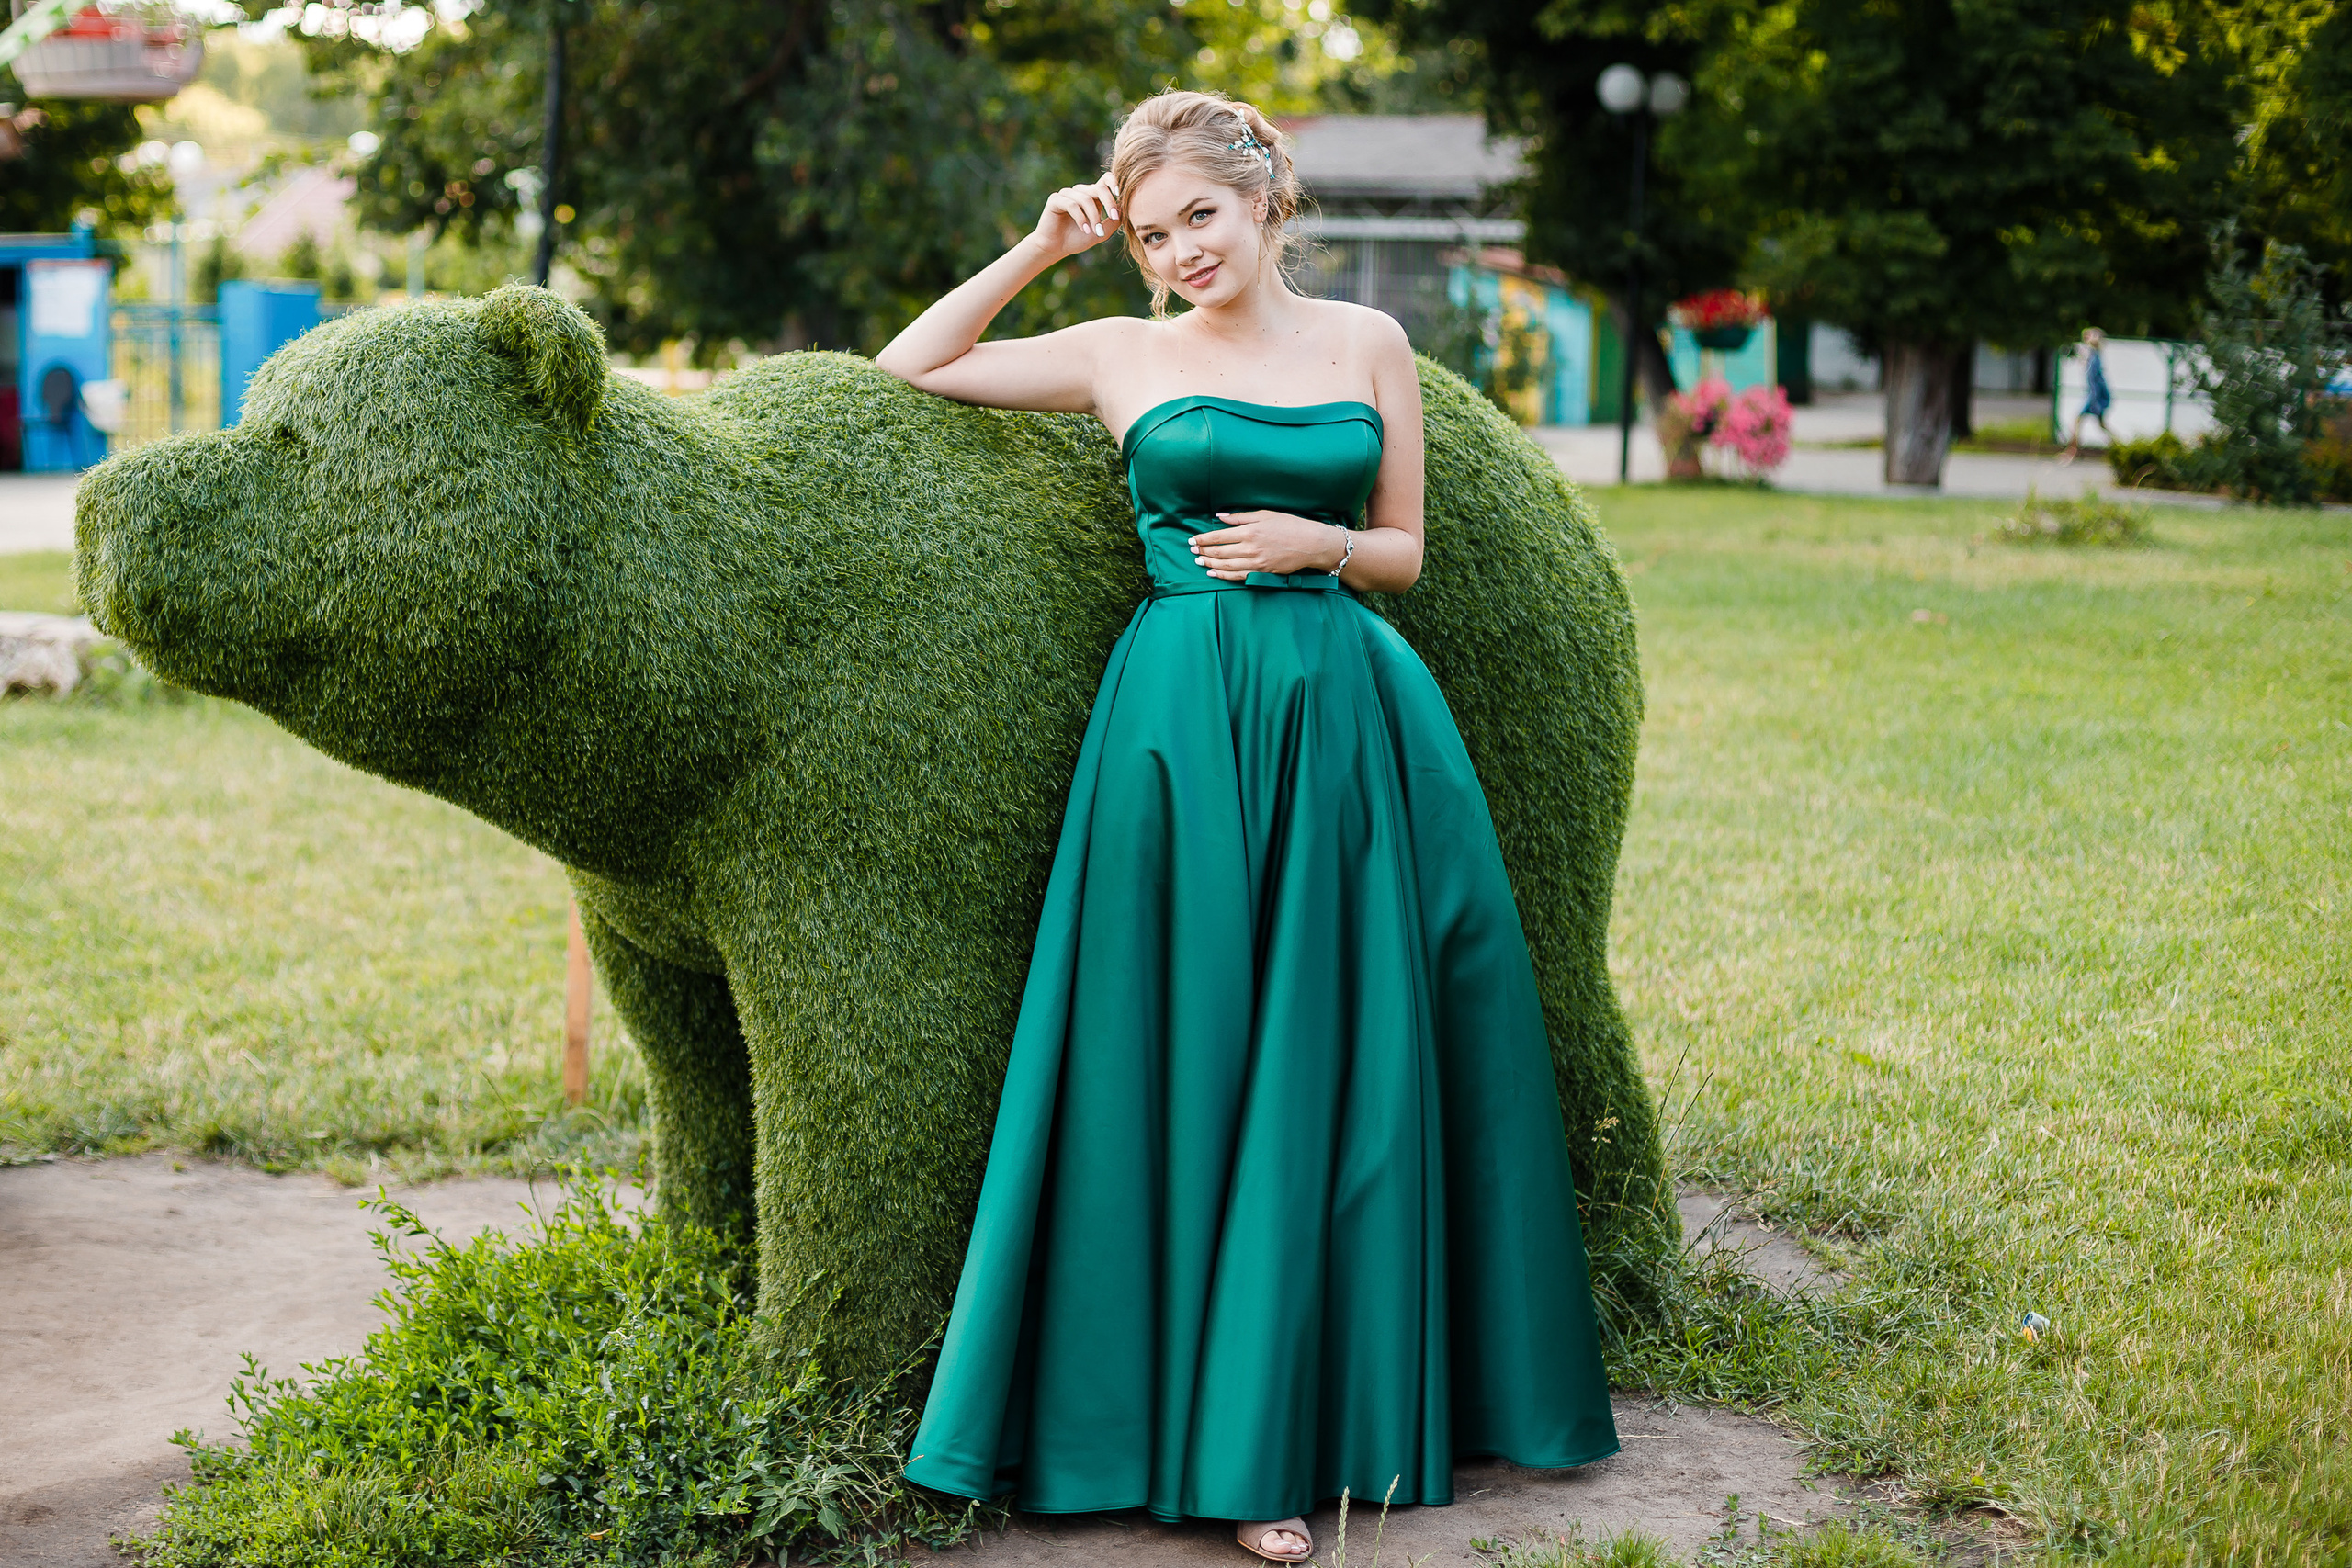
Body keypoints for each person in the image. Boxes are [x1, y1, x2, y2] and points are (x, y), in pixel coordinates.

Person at [874, 88, 1619, 1564]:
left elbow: (1402, 548)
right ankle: (1177, 1430)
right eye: (1151, 234)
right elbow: (912, 362)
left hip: (1348, 716)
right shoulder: (1119, 351)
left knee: (1340, 1068)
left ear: (1266, 199)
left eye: (1198, 216)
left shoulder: (1369, 344)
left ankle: (1297, 1426)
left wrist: (1319, 542)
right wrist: (1042, 244)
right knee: (1193, 1048)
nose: (1179, 252)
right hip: (1177, 723)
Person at [2058, 326, 2113, 464]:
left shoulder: (2095, 358)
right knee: (2099, 425)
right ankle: (2119, 447)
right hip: (2095, 396)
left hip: (2095, 396)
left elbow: (2096, 382)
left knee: (2078, 421)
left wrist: (2095, 402)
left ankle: (2072, 452)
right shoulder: (2093, 355)